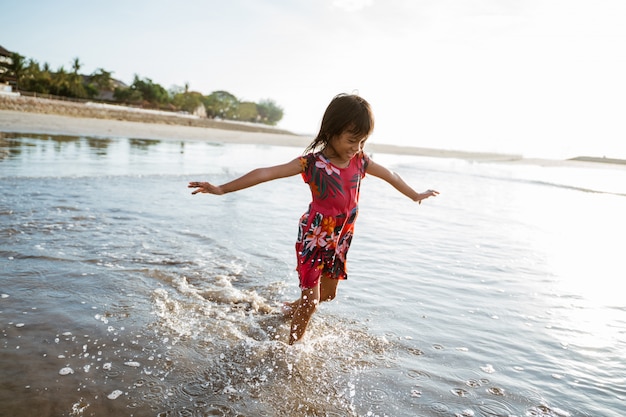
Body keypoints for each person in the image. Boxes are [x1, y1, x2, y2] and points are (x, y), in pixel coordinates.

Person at [188, 93, 439, 345]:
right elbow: (265, 173)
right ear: (331, 132)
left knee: (327, 295)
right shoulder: (311, 163)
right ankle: (290, 350)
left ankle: (290, 309)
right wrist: (221, 189)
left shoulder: (360, 162)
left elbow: (392, 176)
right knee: (312, 303)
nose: (357, 147)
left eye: (363, 141)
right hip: (315, 236)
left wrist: (415, 194)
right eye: (352, 140)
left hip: (341, 238)